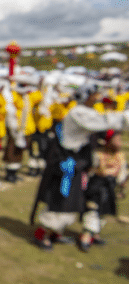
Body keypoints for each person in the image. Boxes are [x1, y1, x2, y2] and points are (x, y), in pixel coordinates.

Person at [30, 86, 129, 250]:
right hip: (66, 165)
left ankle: (56, 232)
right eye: (95, 94)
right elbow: (103, 122)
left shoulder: (85, 112)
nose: (99, 96)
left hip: (74, 162)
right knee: (63, 200)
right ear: (88, 96)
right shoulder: (78, 113)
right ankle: (42, 234)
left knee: (72, 200)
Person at [78, 129, 126, 251]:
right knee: (92, 210)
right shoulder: (98, 154)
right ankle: (86, 235)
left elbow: (122, 174)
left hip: (110, 188)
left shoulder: (120, 156)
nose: (120, 142)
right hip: (96, 187)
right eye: (117, 139)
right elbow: (88, 171)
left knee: (104, 212)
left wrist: (121, 187)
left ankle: (95, 233)